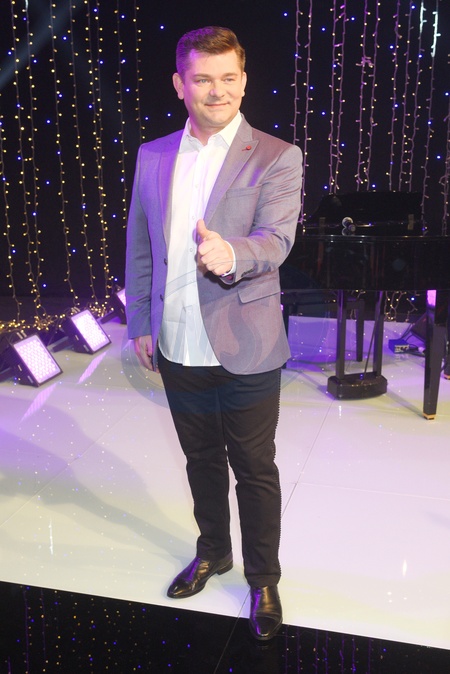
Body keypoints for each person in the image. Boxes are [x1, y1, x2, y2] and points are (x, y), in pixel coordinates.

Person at [125, 26, 303, 641]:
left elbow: (277, 239)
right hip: (176, 340)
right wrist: (141, 321)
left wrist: (233, 253)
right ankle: (213, 552)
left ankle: (263, 578)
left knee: (254, 466)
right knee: (200, 459)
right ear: (180, 85)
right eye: (203, 79)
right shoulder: (153, 155)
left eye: (229, 78)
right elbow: (140, 246)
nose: (217, 90)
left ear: (244, 81)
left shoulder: (276, 155)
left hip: (247, 341)